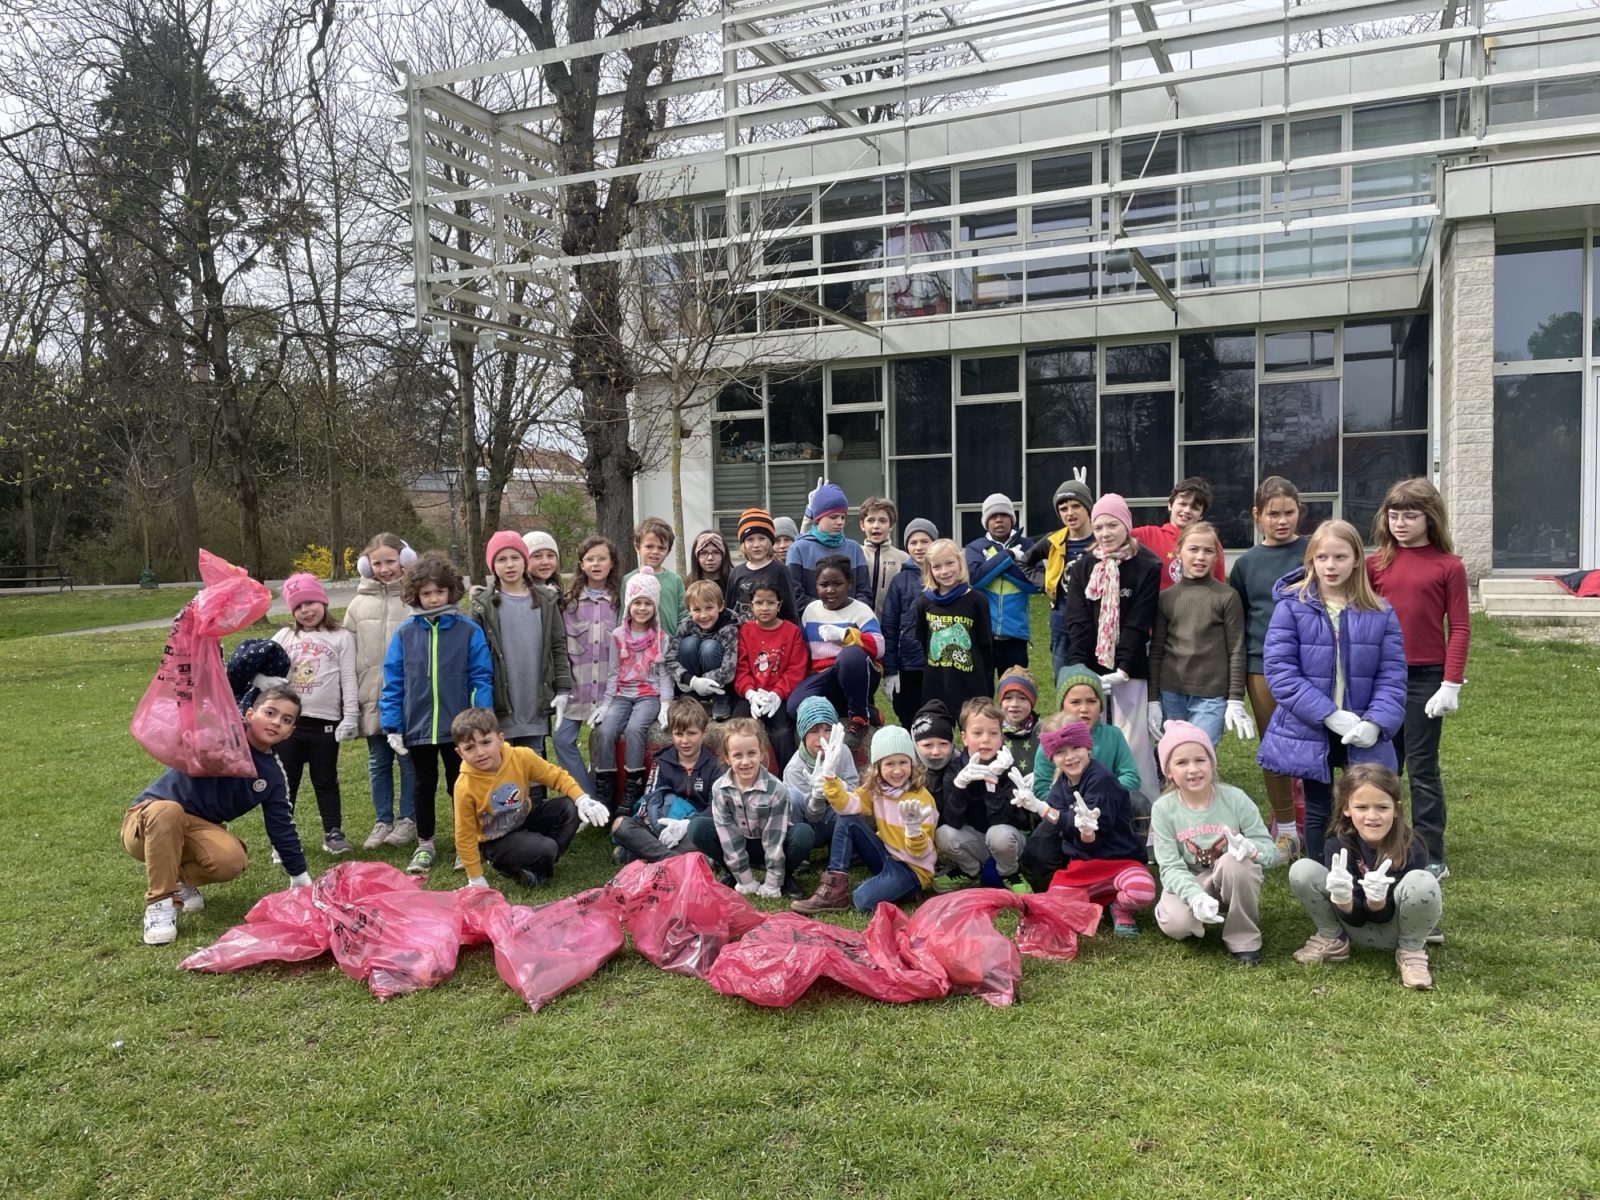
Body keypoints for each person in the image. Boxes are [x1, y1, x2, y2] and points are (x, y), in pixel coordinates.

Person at [1258, 520, 1408, 860]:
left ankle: (1368, 871)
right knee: (1318, 807)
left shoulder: (1381, 612)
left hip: (1362, 727)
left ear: (1356, 560)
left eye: (1340, 557)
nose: (1330, 565)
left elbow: (1392, 676)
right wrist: (1328, 714)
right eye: (1322, 557)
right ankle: (1318, 874)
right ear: (1311, 560)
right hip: (1313, 725)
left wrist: (1376, 723)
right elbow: (1281, 673)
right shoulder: (1291, 607)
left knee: (1366, 803)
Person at [123, 686, 312, 945]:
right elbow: (193, 714)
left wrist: (300, 877)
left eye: (286, 720)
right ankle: (160, 904)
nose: (276, 722)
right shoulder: (221, 735)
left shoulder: (273, 776)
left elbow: (281, 825)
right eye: (270, 713)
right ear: (249, 714)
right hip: (147, 822)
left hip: (195, 829)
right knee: (168, 811)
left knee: (232, 859)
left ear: (290, 731)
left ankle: (180, 880)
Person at [1367, 477, 1470, 877]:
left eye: (1410, 515)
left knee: (1422, 768)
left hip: (1426, 677)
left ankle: (1431, 854)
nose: (1400, 523)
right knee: (1382, 767)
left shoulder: (1449, 566)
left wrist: (1451, 683)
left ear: (1430, 518)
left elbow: (1459, 627)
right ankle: (1380, 843)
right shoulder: (1375, 564)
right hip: (1380, 677)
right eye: (1393, 515)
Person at [380, 551, 494, 876]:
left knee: (460, 785)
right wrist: (392, 724)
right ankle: (425, 843)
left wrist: (479, 718)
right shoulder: (405, 633)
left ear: (451, 591)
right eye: (426, 592)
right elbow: (393, 680)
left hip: (459, 729)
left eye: (439, 592)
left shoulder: (468, 631)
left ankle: (465, 842)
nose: (433, 598)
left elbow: (481, 676)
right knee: (423, 785)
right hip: (417, 726)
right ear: (415, 594)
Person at [1288, 763, 1440, 989]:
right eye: (1361, 807)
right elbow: (1356, 918)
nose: (1372, 816)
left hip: (1395, 928)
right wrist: (1343, 899)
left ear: (1396, 809)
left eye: (1382, 807)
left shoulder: (1412, 846)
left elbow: (1383, 916)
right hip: (1352, 923)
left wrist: (1377, 900)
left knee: (1423, 881)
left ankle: (1411, 951)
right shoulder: (1337, 843)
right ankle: (1333, 938)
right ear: (1346, 808)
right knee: (1302, 869)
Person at [1150, 721, 1280, 964]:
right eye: (1181, 763)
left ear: (1212, 763)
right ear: (1168, 771)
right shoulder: (1163, 809)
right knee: (1176, 925)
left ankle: (1243, 937)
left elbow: (1271, 853)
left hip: (1229, 875)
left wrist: (1253, 851)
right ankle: (1186, 911)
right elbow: (1170, 867)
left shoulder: (1236, 799)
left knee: (1236, 863)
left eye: (1200, 760)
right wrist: (1195, 896)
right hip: (1191, 880)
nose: (1193, 769)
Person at [1228, 476, 1309, 858]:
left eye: (1289, 512)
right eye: (1273, 514)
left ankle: (1320, 820)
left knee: (1316, 743)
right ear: (1257, 515)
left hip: (1312, 663)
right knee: (1274, 746)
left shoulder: (1314, 552)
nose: (1282, 520)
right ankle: (1286, 830)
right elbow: (1239, 620)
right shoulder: (1246, 564)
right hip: (1262, 666)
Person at [1065, 493, 1162, 809]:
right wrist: (1081, 672)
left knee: (1133, 741)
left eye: (1112, 525)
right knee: (1090, 738)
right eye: (1099, 527)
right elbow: (1078, 622)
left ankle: (1141, 809)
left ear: (1126, 525)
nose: (1105, 533)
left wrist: (1123, 668)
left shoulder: (1147, 565)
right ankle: (1091, 804)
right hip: (1089, 667)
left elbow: (1138, 622)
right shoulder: (1083, 568)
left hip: (1129, 667)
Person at [1014, 719, 1152, 935]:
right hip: (1084, 866)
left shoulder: (1102, 779)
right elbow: (1085, 842)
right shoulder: (1058, 789)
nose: (1069, 756)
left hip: (1120, 861)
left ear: (1088, 747)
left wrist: (1044, 810)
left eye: (1076, 747)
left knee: (1142, 890)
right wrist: (1083, 832)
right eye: (1060, 752)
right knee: (1054, 907)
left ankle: (1120, 908)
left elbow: (1101, 831)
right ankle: (1097, 897)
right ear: (1051, 758)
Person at [452, 707, 607, 890]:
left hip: (524, 818)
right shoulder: (464, 786)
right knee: (547, 848)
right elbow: (465, 834)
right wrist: (475, 877)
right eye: (469, 748)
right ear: (460, 753)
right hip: (496, 840)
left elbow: (556, 776)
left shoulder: (521, 757)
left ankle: (537, 864)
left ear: (500, 740)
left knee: (570, 807)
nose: (480, 752)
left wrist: (582, 799)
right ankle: (510, 863)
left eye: (486, 742)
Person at [791, 725, 939, 914]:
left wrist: (914, 831)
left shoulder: (922, 799)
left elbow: (920, 853)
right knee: (847, 820)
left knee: (861, 899)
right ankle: (834, 887)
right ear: (877, 767)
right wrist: (830, 779)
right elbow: (846, 806)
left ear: (912, 764)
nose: (897, 770)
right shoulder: (878, 789)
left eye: (903, 762)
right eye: (889, 764)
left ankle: (909, 891)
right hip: (887, 855)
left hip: (912, 867)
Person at [271, 572, 359, 855]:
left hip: (325, 724)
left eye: (310, 602)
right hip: (289, 725)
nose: (305, 610)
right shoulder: (285, 636)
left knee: (325, 779)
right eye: (298, 606)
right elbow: (264, 664)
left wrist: (351, 715)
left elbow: (348, 677)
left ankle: (333, 832)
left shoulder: (341, 636)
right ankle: (282, 838)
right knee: (286, 782)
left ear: (323, 601)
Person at [469, 531, 572, 764]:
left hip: (534, 703)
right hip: (500, 704)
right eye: (501, 559)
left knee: (531, 766)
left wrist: (563, 688)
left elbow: (558, 646)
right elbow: (474, 656)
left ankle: (532, 791)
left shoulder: (546, 600)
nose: (509, 565)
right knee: (501, 768)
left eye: (515, 557)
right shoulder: (482, 605)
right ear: (492, 565)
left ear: (524, 561)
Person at [344, 533, 419, 850]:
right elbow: (348, 653)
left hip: (408, 698)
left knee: (408, 761)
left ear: (405, 560)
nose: (385, 569)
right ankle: (382, 820)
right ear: (366, 566)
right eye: (377, 563)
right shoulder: (357, 605)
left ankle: (408, 819)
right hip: (371, 696)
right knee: (378, 761)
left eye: (391, 561)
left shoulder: (415, 600)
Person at [1147, 521, 1250, 748]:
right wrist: (1153, 698)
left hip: (1210, 695)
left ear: (1216, 556)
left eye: (1208, 551)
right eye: (1193, 549)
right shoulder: (1166, 597)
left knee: (1200, 751)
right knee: (1174, 754)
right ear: (1179, 551)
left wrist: (1235, 698)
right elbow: (1156, 651)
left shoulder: (1227, 596)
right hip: (1171, 691)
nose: (1200, 557)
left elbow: (1236, 649)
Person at [693, 718, 813, 898]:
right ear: (727, 758)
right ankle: (733, 873)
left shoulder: (777, 789)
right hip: (740, 842)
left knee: (803, 834)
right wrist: (745, 880)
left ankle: (785, 877)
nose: (745, 761)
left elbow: (774, 841)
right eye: (737, 755)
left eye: (751, 753)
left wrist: (772, 883)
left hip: (771, 844)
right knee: (697, 828)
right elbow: (728, 837)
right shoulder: (720, 789)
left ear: (761, 753)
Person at [590, 571, 675, 820]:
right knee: (606, 730)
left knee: (636, 728)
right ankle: (605, 789)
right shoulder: (618, 636)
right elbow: (613, 672)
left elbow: (664, 675)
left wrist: (665, 704)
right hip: (621, 695)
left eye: (648, 603)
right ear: (629, 605)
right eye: (637, 602)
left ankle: (632, 787)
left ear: (655, 607)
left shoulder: (661, 638)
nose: (642, 608)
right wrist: (606, 704)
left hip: (648, 695)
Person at [932, 698, 1029, 893]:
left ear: (1001, 737)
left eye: (993, 733)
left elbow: (1002, 820)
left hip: (1009, 841)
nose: (985, 739)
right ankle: (970, 871)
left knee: (998, 835)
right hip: (976, 839)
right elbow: (953, 821)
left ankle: (1009, 873)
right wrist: (960, 786)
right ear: (964, 738)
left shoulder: (1007, 767)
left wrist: (992, 783)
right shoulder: (955, 769)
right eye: (977, 733)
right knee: (942, 834)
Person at [788, 555, 885, 748]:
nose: (830, 590)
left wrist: (845, 635)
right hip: (824, 676)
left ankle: (859, 719)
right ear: (816, 586)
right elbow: (805, 652)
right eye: (824, 585)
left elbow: (879, 647)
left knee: (849, 655)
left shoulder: (861, 610)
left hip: (857, 672)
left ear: (849, 583)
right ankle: (866, 710)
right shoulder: (811, 610)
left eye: (837, 584)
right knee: (793, 707)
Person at [613, 698, 722, 864]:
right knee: (619, 824)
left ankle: (642, 854)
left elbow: (716, 809)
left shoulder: (715, 766)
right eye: (679, 734)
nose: (685, 741)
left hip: (692, 829)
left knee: (711, 836)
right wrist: (657, 826)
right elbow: (650, 799)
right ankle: (677, 860)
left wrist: (687, 824)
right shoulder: (662, 761)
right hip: (661, 825)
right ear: (672, 733)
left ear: (704, 732)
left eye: (691, 733)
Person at [556, 535, 620, 795]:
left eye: (601, 558)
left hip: (608, 691)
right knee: (561, 739)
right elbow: (560, 645)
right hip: (577, 689)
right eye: (590, 559)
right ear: (581, 564)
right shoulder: (568, 603)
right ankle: (586, 795)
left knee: (605, 743)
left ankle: (606, 795)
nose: (596, 564)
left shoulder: (620, 601)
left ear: (612, 563)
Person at [1030, 668, 1142, 802]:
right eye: (1075, 702)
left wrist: (1097, 795)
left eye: (1091, 701)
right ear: (1062, 706)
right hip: (1065, 809)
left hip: (1108, 804)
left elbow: (1131, 776)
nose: (1084, 709)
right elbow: (1041, 788)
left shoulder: (1113, 735)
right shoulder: (1052, 739)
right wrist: (1071, 804)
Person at [1023, 474, 1096, 678]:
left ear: (1088, 508)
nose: (1070, 513)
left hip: (1097, 626)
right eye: (1063, 509)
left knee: (1098, 685)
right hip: (1062, 626)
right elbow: (1024, 562)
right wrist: (1045, 582)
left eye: (1076, 506)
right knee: (1064, 681)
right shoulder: (1053, 540)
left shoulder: (1102, 539)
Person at [963, 492, 1038, 679]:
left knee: (1014, 689)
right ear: (986, 522)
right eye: (993, 516)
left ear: (1012, 519)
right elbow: (976, 579)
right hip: (983, 634)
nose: (998, 520)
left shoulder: (1027, 545)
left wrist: (994, 564)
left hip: (1015, 636)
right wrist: (1008, 556)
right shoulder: (975, 547)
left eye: (1003, 515)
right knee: (983, 691)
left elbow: (1036, 583)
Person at [915, 537, 994, 716]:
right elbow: (923, 642)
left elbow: (985, 645)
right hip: (937, 686)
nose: (944, 571)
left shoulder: (977, 601)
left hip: (971, 686)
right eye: (937, 566)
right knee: (939, 731)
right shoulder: (924, 603)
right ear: (929, 570)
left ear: (960, 562)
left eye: (950, 563)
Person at [733, 580, 807, 766]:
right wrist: (750, 693)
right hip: (752, 696)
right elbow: (741, 668)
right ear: (751, 605)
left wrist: (777, 694)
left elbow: (795, 669)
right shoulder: (745, 631)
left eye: (770, 602)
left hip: (778, 697)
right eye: (759, 602)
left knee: (782, 732)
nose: (765, 608)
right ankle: (735, 773)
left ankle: (786, 776)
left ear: (779, 605)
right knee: (736, 728)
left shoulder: (792, 632)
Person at [879, 517, 937, 726]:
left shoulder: (944, 577)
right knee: (909, 714)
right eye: (913, 542)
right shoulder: (899, 581)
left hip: (938, 664)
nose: (919, 547)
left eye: (925, 541)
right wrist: (890, 670)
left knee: (937, 716)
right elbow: (889, 626)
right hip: (908, 662)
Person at [784, 695, 860, 856]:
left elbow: (854, 790)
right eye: (813, 731)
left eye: (827, 729)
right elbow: (813, 816)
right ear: (803, 734)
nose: (822, 737)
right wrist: (818, 796)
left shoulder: (843, 751)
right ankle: (799, 849)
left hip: (835, 817)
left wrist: (835, 783)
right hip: (808, 825)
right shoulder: (795, 768)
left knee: (856, 804)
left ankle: (842, 845)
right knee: (792, 796)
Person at [1132, 476, 1227, 592]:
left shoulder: (1210, 544)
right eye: (1182, 504)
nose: (1187, 510)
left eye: (1195, 508)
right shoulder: (1146, 535)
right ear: (1170, 505)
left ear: (1201, 515)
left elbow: (1219, 588)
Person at [786, 481, 872, 606]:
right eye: (833, 517)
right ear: (817, 518)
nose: (840, 522)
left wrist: (850, 612)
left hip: (852, 618)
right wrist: (826, 612)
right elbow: (794, 596)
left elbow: (865, 593)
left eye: (843, 517)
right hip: (811, 617)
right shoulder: (798, 549)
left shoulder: (854, 548)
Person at [666, 579, 740, 721]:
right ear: (689, 610)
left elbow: (730, 668)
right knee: (688, 644)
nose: (703, 615)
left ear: (720, 606)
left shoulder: (729, 627)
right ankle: (690, 695)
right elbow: (669, 659)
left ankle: (720, 696)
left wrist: (705, 680)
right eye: (697, 610)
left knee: (709, 647)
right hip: (692, 680)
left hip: (719, 680)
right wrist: (692, 681)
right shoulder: (686, 625)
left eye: (709, 608)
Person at [726, 506, 799, 623]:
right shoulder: (736, 573)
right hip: (742, 632)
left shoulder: (780, 570)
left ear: (770, 541)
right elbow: (729, 609)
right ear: (743, 544)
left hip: (773, 631)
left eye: (761, 538)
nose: (756, 545)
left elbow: (790, 610)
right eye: (750, 539)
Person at [622, 516, 686, 632]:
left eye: (661, 548)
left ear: (668, 551)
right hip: (637, 641)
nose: (655, 551)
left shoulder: (675, 580)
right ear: (637, 547)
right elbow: (623, 614)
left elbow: (683, 616)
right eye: (649, 546)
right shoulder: (628, 579)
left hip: (670, 641)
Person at [859, 495, 910, 613]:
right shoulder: (856, 553)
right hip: (859, 622)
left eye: (882, 521)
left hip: (891, 622)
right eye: (870, 520)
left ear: (891, 525)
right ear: (862, 525)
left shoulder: (903, 559)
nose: (876, 526)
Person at [997, 666, 1040, 775]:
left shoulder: (1042, 731)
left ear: (1032, 702)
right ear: (1001, 701)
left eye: (1022, 698)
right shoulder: (992, 730)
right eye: (1008, 698)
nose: (1015, 704)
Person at [688, 529, 731, 596]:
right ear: (696, 556)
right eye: (703, 553)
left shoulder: (735, 583)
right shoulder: (685, 586)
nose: (710, 558)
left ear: (724, 555)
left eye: (716, 552)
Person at [521, 531, 563, 595]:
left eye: (550, 555)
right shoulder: (522, 595)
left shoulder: (556, 591)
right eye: (537, 556)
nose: (545, 562)